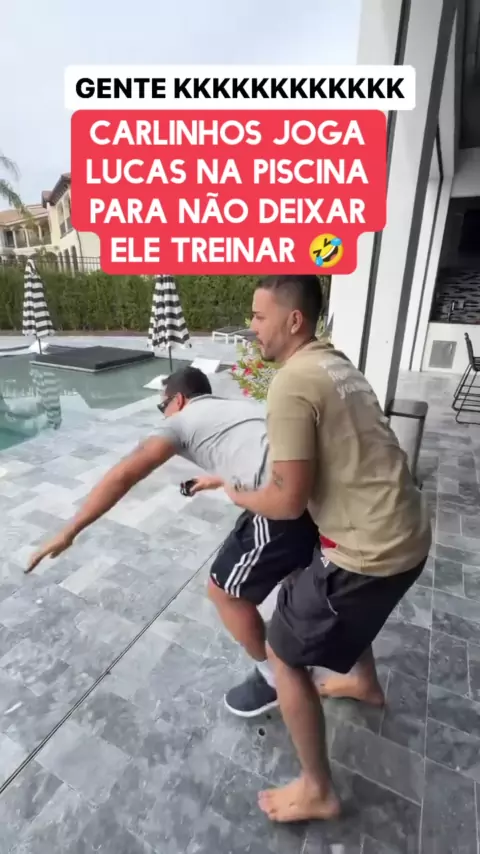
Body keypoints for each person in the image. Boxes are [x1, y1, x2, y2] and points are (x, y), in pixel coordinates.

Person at [219, 274, 431, 823]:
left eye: (259, 317)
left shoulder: (291, 382)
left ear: (294, 320)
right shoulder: (337, 365)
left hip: (371, 554)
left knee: (285, 653)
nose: (252, 328)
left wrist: (236, 492)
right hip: (410, 531)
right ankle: (364, 682)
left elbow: (287, 502)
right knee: (319, 589)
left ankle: (319, 789)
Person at [26, 366, 319, 710]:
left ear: (178, 400)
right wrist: (215, 480)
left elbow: (123, 475)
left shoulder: (179, 422)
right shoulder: (234, 408)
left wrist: (69, 531)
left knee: (225, 592)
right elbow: (251, 450)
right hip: (312, 491)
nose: (162, 414)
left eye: (161, 406)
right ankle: (325, 655)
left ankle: (274, 679)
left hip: (281, 505)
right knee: (298, 576)